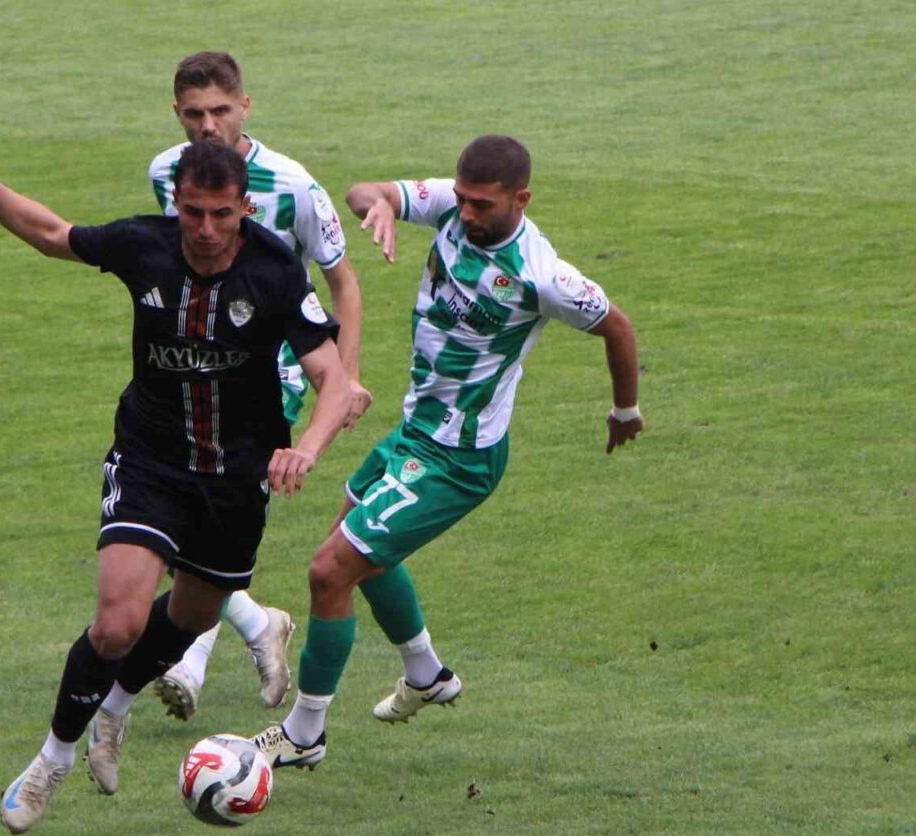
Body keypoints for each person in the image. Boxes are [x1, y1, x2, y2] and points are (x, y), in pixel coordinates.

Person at [0, 119, 349, 833]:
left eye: (222, 214)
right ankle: (52, 760)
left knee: (191, 617)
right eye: (193, 212)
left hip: (235, 477)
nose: (207, 229)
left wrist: (306, 446)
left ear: (245, 207)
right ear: (175, 203)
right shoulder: (144, 245)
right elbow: (51, 234)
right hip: (151, 459)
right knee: (117, 622)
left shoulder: (275, 268)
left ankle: (115, 709)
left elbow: (332, 379)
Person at [251, 135, 645, 769]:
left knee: (330, 571)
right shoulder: (452, 207)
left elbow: (618, 327)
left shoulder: (542, 276)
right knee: (357, 550)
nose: (465, 213)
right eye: (461, 199)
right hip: (416, 432)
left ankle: (305, 733)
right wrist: (379, 204)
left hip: (458, 458)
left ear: (521, 200)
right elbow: (363, 191)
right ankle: (427, 674)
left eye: (482, 204)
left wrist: (625, 411)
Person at [140, 51, 373, 724]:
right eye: (194, 113)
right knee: (170, 509)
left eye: (221, 110)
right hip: (188, 372)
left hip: (272, 377)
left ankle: (190, 659)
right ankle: (254, 622)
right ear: (177, 113)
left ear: (245, 106)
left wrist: (346, 376)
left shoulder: (294, 186)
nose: (208, 125)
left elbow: (343, 281)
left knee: (198, 511)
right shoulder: (165, 172)